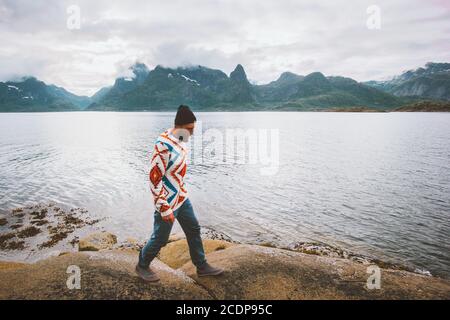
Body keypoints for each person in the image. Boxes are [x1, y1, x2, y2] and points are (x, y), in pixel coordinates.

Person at [136, 105, 224, 282]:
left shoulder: (181, 140)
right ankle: (142, 265)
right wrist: (163, 207)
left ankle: (202, 266)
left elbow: (176, 173)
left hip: (182, 197)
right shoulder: (163, 145)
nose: (192, 133)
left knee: (193, 229)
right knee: (161, 238)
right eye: (190, 129)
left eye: (193, 129)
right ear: (179, 125)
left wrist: (182, 192)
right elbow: (154, 178)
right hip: (167, 201)